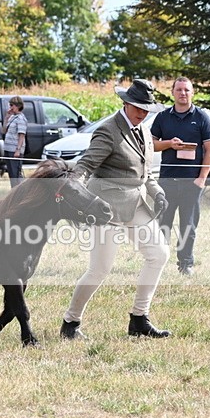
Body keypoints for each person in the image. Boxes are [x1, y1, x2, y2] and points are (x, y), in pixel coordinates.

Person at [60, 79, 171, 340]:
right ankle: (70, 322)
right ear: (125, 103)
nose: (142, 113)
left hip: (136, 203)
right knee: (100, 269)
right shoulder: (108, 130)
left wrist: (157, 192)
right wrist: (71, 185)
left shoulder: (144, 131)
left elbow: (145, 173)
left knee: (159, 254)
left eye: (146, 109)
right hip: (106, 208)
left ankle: (139, 319)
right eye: (138, 108)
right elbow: (86, 164)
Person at [151, 77, 210, 276]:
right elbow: (151, 145)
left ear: (192, 93)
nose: (183, 93)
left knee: (188, 226)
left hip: (191, 182)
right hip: (167, 181)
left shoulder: (202, 117)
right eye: (179, 89)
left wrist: (201, 179)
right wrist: (169, 144)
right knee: (162, 224)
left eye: (187, 90)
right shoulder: (162, 118)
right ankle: (158, 262)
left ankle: (185, 264)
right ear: (173, 92)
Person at [2, 96, 27, 188]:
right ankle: (14, 190)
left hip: (15, 150)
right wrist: (6, 118)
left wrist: (18, 150)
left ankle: (18, 190)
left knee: (15, 173)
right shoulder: (12, 117)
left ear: (18, 106)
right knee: (11, 174)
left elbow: (21, 135)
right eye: (10, 105)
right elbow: (3, 131)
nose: (10, 107)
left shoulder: (21, 119)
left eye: (12, 105)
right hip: (8, 148)